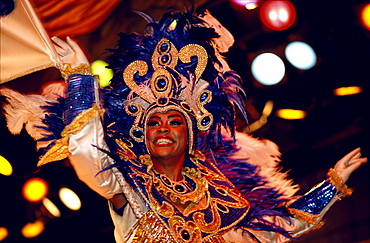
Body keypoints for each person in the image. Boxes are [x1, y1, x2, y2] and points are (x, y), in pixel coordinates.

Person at [0, 9, 367, 243]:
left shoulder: (220, 195)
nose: (162, 127)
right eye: (153, 122)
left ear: (189, 134)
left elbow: (278, 229)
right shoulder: (129, 187)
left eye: (173, 120)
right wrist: (80, 77)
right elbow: (87, 150)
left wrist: (331, 186)